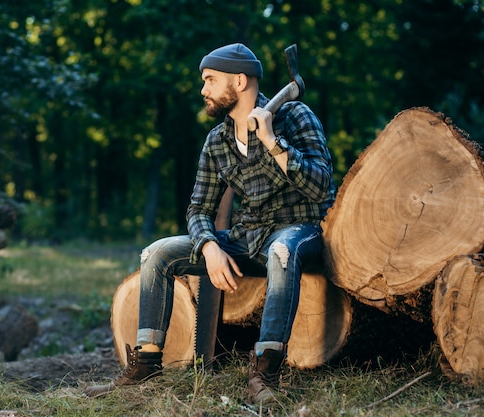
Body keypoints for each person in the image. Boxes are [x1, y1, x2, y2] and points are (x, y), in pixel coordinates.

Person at [84, 43, 335, 404]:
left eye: (210, 80)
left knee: (282, 250)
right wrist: (210, 247)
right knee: (157, 253)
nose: (203, 90)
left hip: (298, 232)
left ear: (240, 81)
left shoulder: (295, 116)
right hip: (246, 237)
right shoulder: (217, 140)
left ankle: (264, 374)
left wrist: (273, 142)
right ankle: (146, 365)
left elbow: (321, 186)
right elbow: (198, 209)